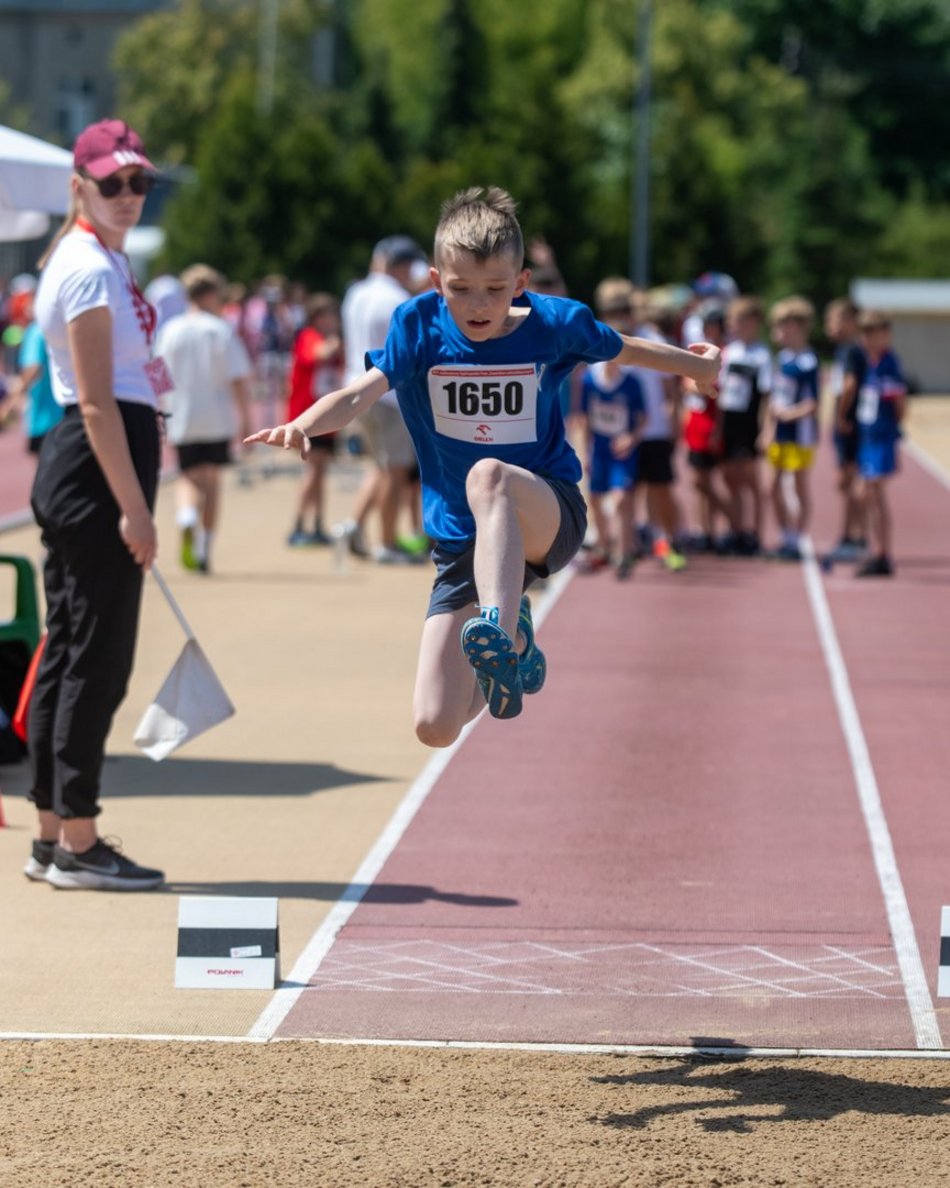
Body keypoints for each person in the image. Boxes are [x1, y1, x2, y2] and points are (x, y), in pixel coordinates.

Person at [247, 187, 720, 746]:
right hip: (463, 543)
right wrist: (302, 423)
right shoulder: (418, 327)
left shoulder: (555, 324)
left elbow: (626, 348)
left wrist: (697, 368)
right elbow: (360, 393)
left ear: (520, 282)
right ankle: (507, 654)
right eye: (460, 289)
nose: (477, 305)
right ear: (434, 280)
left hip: (546, 514)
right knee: (434, 725)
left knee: (488, 475)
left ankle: (500, 628)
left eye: (495, 290)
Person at [26, 118, 166, 890]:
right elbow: (94, 405)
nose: (128, 195)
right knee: (96, 661)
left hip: (90, 473)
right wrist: (134, 508)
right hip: (95, 474)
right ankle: (78, 839)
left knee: (71, 651)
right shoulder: (86, 268)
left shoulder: (93, 258)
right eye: (112, 182)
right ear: (80, 186)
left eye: (138, 181)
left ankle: (55, 833)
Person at [155, 264, 254, 574]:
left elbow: (156, 373)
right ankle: (204, 546)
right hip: (216, 415)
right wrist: (246, 418)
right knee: (212, 481)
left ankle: (185, 517)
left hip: (181, 414)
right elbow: (238, 377)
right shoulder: (220, 329)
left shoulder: (171, 330)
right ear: (211, 294)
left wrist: (161, 405)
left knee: (187, 475)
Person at [334, 236, 427, 564]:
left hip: (357, 387)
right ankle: (386, 542)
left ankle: (354, 526)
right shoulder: (397, 298)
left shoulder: (355, 293)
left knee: (379, 465)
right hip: (388, 393)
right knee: (396, 471)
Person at [841, 310, 907, 577]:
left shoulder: (889, 363)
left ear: (886, 335)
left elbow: (900, 402)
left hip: (880, 438)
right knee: (866, 493)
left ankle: (881, 552)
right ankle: (877, 550)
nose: (867, 339)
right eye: (864, 333)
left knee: (870, 491)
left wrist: (890, 428)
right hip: (868, 437)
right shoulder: (870, 362)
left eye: (873, 333)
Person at [284, 293, 343, 546]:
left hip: (326, 418)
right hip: (308, 414)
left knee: (321, 472)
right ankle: (298, 523)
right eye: (328, 316)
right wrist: (335, 342)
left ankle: (318, 522)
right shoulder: (309, 336)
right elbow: (318, 354)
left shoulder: (329, 338)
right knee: (312, 471)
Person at [763, 297, 820, 561]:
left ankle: (797, 538)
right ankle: (785, 535)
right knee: (772, 487)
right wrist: (768, 428)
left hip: (801, 434)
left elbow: (813, 404)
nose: (779, 331)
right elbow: (774, 397)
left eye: (783, 326)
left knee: (799, 487)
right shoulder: (782, 358)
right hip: (780, 433)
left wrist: (789, 414)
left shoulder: (809, 362)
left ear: (797, 327)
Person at [717, 296, 772, 554]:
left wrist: (766, 430)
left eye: (736, 321)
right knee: (730, 477)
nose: (732, 325)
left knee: (751, 480)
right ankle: (736, 529)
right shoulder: (729, 352)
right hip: (729, 420)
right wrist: (718, 426)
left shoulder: (762, 355)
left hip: (749, 423)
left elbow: (767, 397)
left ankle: (756, 534)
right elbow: (721, 391)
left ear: (751, 322)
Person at [681, 305, 729, 551]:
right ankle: (705, 530)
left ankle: (723, 525)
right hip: (696, 421)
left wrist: (718, 428)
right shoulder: (701, 352)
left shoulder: (723, 354)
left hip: (710, 421)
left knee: (706, 480)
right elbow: (687, 381)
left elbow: (717, 391)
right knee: (698, 481)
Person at [824, 297, 867, 561]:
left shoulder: (852, 350)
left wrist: (840, 415)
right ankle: (851, 535)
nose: (830, 325)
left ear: (851, 322)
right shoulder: (844, 350)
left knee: (850, 481)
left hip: (850, 422)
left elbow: (850, 385)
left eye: (835, 319)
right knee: (847, 482)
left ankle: (855, 537)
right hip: (848, 422)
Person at [16, 293, 64, 455]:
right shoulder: (57, 328)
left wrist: (10, 402)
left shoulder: (35, 331)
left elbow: (33, 368)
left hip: (44, 415)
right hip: (61, 411)